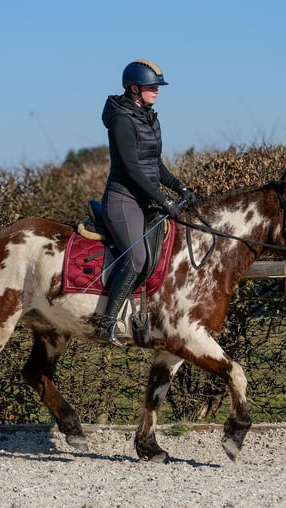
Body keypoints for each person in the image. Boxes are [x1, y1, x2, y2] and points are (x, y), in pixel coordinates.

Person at [94, 59, 198, 345]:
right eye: (152, 86)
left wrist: (181, 187)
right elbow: (131, 170)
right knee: (137, 257)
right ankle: (106, 323)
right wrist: (164, 200)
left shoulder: (150, 116)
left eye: (157, 86)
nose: (157, 91)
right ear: (134, 88)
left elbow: (155, 165)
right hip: (124, 199)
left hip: (147, 199)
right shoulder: (122, 120)